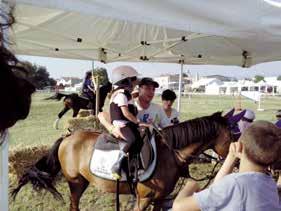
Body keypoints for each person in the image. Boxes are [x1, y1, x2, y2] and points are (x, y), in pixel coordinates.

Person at [173, 120, 281, 211]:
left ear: (239, 146)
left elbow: (178, 207)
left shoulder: (234, 184)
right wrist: (231, 156)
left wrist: (190, 186)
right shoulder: (269, 183)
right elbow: (217, 190)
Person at [98, 76, 170, 139]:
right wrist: (112, 129)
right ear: (139, 89)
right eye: (147, 88)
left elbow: (167, 127)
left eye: (153, 89)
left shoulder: (158, 108)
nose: (151, 92)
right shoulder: (130, 104)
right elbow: (102, 115)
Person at [108, 65, 141, 179]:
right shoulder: (121, 95)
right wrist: (138, 122)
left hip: (126, 123)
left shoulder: (125, 95)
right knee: (132, 139)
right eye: (133, 81)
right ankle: (117, 164)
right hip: (121, 124)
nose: (134, 84)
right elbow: (126, 113)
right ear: (125, 81)